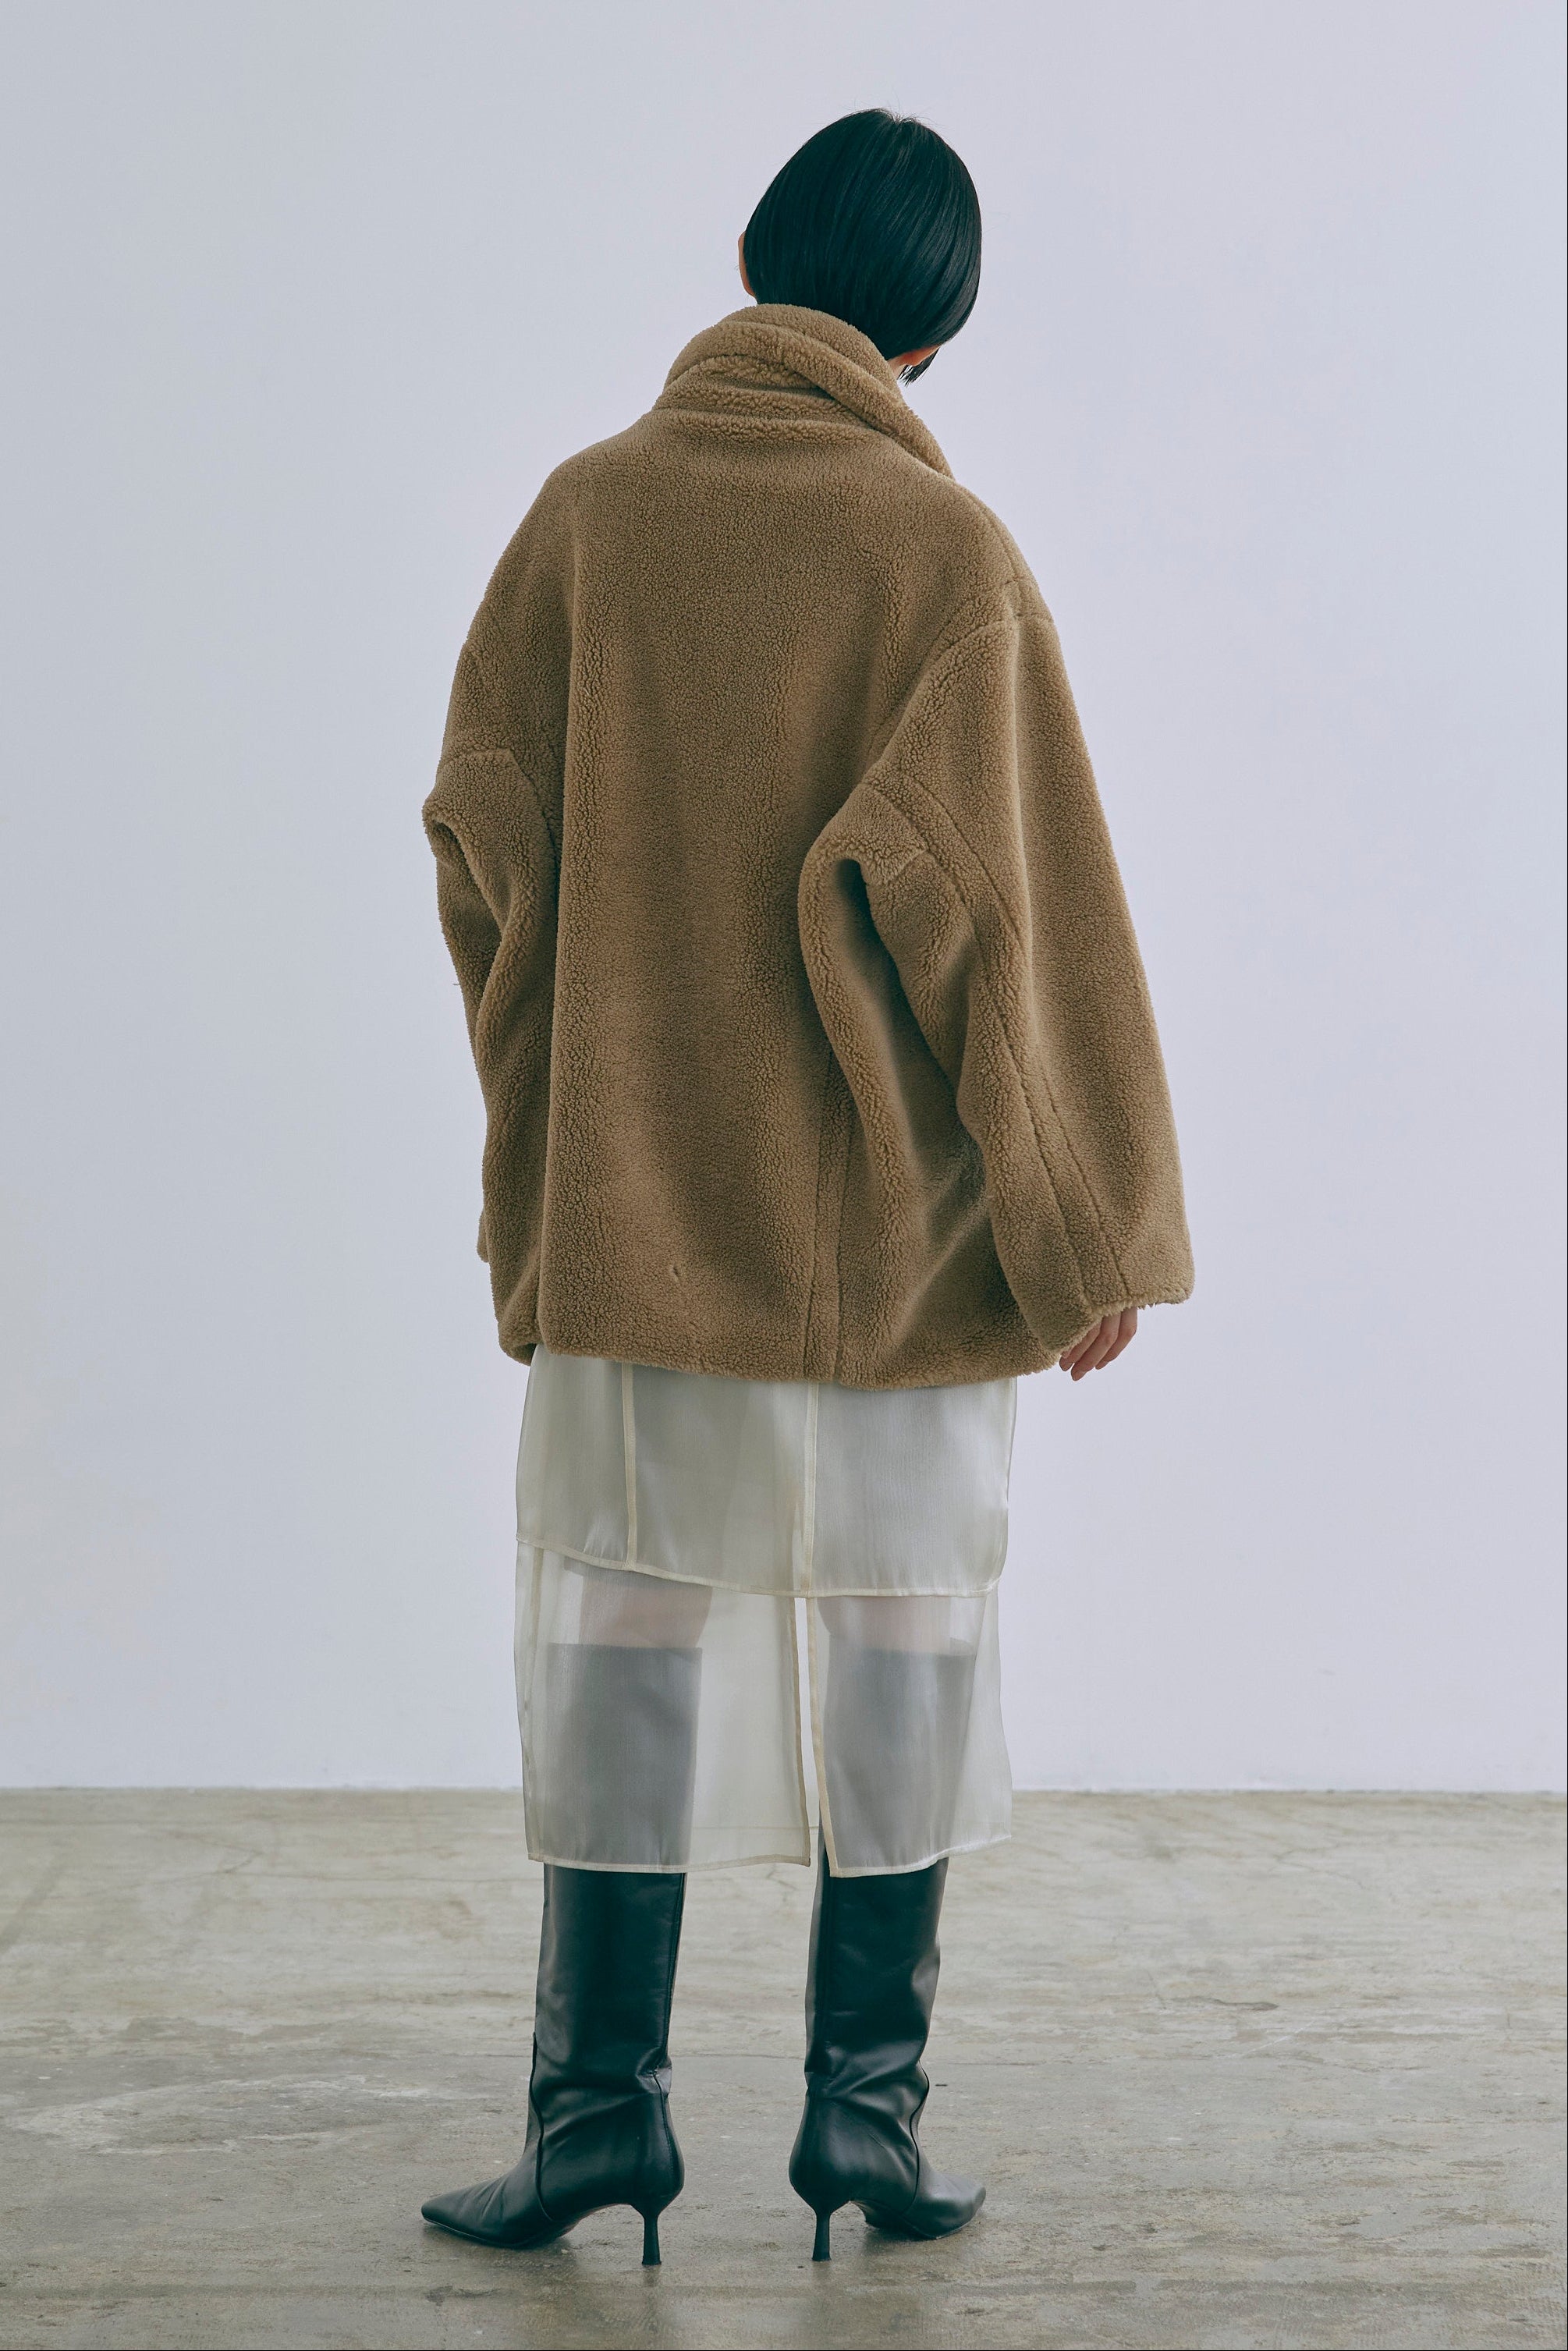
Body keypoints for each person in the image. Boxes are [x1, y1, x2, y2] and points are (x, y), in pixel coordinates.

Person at [417, 107, 1192, 2268]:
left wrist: (562, 1132)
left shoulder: (585, 519)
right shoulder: (942, 559)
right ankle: (867, 2120)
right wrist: (1083, 1232)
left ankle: (593, 2123)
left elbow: (477, 848)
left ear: (756, 265)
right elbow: (1010, 925)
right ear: (930, 337)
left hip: (635, 1231)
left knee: (619, 1642)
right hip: (887, 1251)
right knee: (902, 1645)